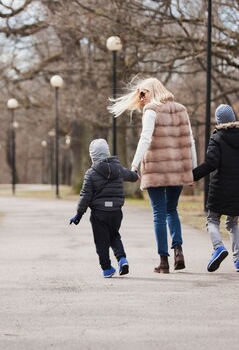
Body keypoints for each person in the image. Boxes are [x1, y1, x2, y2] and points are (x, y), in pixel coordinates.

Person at [108, 77, 196, 274]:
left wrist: (134, 164)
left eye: (143, 93)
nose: (141, 98)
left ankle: (164, 261)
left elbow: (145, 138)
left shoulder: (151, 110)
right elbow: (191, 140)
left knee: (159, 214)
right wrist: (193, 170)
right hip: (177, 169)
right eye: (139, 94)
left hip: (157, 170)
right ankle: (178, 251)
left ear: (152, 91)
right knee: (172, 210)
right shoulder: (181, 109)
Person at [192, 103, 239, 272]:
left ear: (218, 120)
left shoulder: (217, 138)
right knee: (233, 223)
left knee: (212, 220)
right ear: (233, 118)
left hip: (219, 188)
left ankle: (218, 247)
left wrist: (191, 176)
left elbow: (211, 164)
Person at [69, 139, 139, 278]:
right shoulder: (118, 169)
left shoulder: (91, 173)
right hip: (116, 212)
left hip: (99, 214)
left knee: (101, 241)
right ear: (107, 152)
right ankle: (122, 259)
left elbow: (85, 196)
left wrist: (79, 214)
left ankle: (107, 268)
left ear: (92, 156)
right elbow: (131, 176)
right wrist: (135, 174)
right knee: (114, 235)